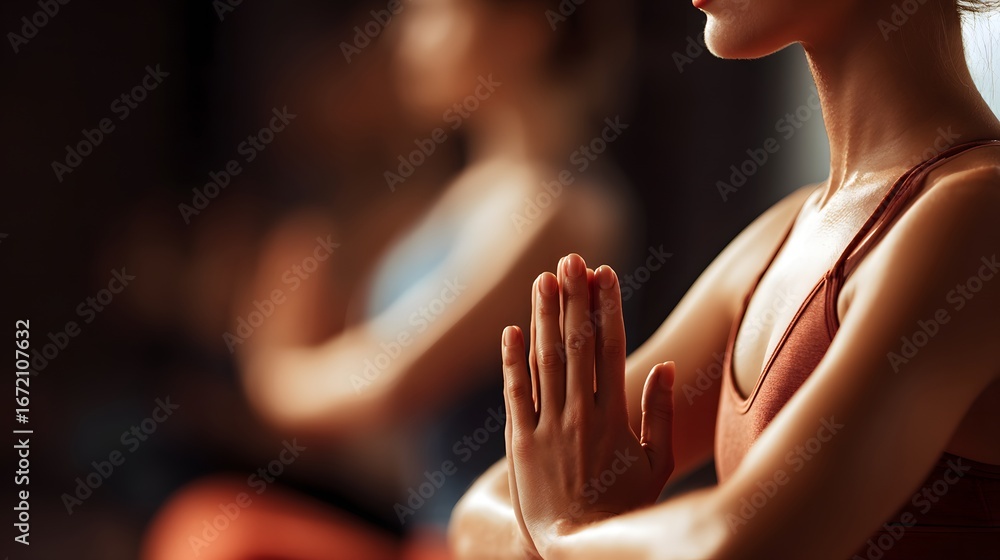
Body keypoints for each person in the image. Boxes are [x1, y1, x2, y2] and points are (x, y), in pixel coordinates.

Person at [450, 1, 1000, 558]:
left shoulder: (980, 214)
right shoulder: (781, 235)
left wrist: (567, 532)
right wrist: (591, 534)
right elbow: (479, 516)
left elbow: (728, 543)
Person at [143, 0, 637, 557]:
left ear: (523, 31)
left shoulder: (556, 210)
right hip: (431, 532)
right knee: (203, 520)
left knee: (220, 537)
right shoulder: (465, 194)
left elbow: (389, 382)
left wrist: (271, 373)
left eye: (433, 12)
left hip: (498, 544)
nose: (404, 37)